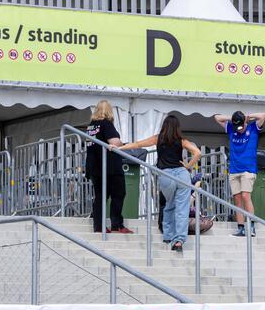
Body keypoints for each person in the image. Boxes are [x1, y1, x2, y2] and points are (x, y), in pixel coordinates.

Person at [117, 115, 201, 252]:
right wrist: (187, 166)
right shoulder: (181, 140)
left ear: (164, 125)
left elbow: (138, 144)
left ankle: (168, 235)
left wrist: (120, 148)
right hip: (182, 175)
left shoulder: (158, 138)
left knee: (169, 205)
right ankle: (179, 241)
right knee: (182, 209)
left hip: (166, 174)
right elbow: (197, 153)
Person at [214, 110, 265, 237]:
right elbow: (217, 117)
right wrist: (232, 118)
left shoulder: (253, 128)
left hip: (248, 169)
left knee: (245, 196)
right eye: (237, 127)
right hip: (234, 169)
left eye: (241, 126)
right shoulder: (232, 128)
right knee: (237, 199)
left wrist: (248, 116)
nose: (239, 129)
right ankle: (241, 228)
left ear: (245, 122)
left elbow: (262, 115)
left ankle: (252, 226)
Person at [84, 100, 132, 234]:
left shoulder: (91, 127)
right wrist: (122, 143)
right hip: (109, 167)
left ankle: (98, 225)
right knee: (119, 193)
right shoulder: (106, 123)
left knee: (100, 196)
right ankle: (116, 223)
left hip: (94, 166)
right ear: (109, 111)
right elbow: (115, 142)